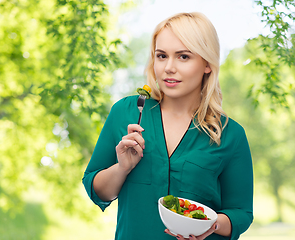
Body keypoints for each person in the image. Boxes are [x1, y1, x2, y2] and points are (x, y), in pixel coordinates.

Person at [82, 12, 253, 240]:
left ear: (207, 64)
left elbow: (241, 213)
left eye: (183, 57)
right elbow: (97, 191)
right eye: (161, 56)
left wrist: (210, 226)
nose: (168, 68)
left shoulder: (230, 134)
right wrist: (122, 167)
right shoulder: (126, 112)